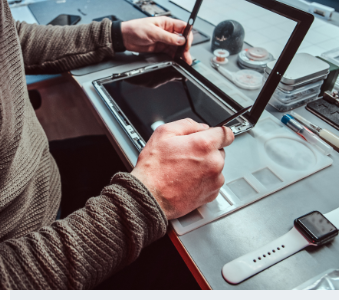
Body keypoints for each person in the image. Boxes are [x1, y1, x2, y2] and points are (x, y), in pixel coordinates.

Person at [0, 0, 234, 289]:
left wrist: (116, 35)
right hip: (34, 245)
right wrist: (147, 202)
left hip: (43, 178)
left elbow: (10, 37)